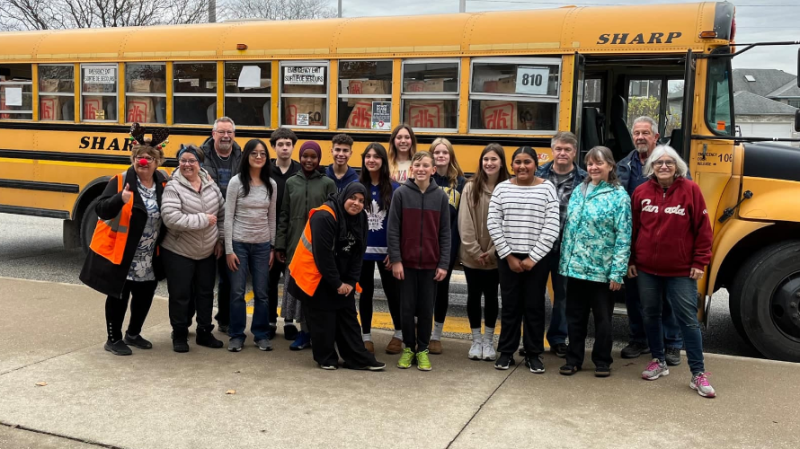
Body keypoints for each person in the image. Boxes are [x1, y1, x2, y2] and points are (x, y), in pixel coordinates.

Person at [631, 145, 715, 398]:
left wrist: (699, 262)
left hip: (681, 271)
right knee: (650, 316)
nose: (664, 166)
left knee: (688, 320)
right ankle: (659, 361)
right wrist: (632, 260)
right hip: (646, 269)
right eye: (658, 163)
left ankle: (698, 374)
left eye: (669, 162)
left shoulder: (691, 190)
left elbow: (703, 229)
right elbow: (633, 229)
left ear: (677, 166)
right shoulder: (641, 192)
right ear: (652, 167)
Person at [79, 125, 170, 356]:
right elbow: (101, 209)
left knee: (145, 295)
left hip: (149, 253)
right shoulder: (120, 181)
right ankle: (113, 338)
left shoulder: (163, 182)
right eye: (139, 157)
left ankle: (133, 333)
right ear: (133, 158)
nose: (144, 161)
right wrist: (120, 198)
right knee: (119, 294)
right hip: (123, 251)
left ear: (157, 160)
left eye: (149, 157)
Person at [287, 183, 387, 371]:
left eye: (361, 200)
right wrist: (337, 284)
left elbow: (359, 252)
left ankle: (358, 358)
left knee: (348, 318)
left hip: (339, 274)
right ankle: (326, 358)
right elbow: (323, 255)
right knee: (323, 321)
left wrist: (350, 282)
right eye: (352, 198)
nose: (356, 203)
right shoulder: (324, 216)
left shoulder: (361, 219)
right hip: (313, 276)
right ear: (344, 197)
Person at [558, 146, 631, 377]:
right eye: (590, 163)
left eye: (599, 163)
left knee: (603, 320)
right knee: (575, 318)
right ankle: (574, 358)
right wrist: (565, 263)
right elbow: (570, 228)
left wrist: (617, 273)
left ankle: (602, 360)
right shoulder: (579, 190)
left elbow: (623, 235)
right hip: (575, 268)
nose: (593, 167)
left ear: (610, 165)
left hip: (602, 271)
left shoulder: (619, 196)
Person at [617, 116, 683, 364]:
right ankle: (638, 340)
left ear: (656, 137)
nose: (640, 137)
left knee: (667, 297)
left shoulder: (669, 165)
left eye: (646, 133)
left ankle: (672, 344)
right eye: (636, 133)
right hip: (636, 241)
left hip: (665, 242)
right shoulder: (624, 166)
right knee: (634, 296)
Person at [488, 146, 559, 373]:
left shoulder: (548, 189)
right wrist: (508, 256)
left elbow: (552, 226)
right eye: (517, 162)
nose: (522, 166)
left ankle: (533, 353)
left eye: (527, 162)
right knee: (510, 306)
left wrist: (533, 258)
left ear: (535, 165)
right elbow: (493, 223)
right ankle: (506, 352)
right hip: (508, 257)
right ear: (511, 165)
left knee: (534, 306)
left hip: (537, 260)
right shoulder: (501, 189)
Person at [388, 151, 451, 371]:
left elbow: (445, 232)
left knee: (426, 309)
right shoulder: (402, 194)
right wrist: (396, 260)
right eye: (418, 165)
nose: (421, 169)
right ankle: (408, 347)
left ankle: (422, 349)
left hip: (431, 266)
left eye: (426, 165)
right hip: (406, 264)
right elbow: (393, 229)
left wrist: (443, 263)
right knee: (406, 309)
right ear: (412, 169)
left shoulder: (441, 197)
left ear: (433, 170)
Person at [161, 145, 226, 353]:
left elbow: (222, 214)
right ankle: (179, 334)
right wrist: (203, 220)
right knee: (180, 295)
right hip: (179, 250)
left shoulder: (210, 185)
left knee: (206, 293)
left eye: (192, 161)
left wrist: (220, 240)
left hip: (207, 250)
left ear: (200, 164)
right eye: (183, 160)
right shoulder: (173, 187)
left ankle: (204, 332)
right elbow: (170, 218)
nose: (187, 165)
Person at [275, 141, 337, 351]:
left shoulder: (328, 183)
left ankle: (319, 333)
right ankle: (304, 333)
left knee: (317, 292)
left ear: (319, 159)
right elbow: (284, 215)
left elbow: (334, 216)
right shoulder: (292, 182)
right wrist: (280, 245)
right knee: (299, 293)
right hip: (295, 246)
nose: (309, 160)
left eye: (313, 157)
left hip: (319, 248)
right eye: (305, 156)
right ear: (300, 157)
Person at [535, 131, 587, 358]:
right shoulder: (538, 174)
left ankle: (557, 338)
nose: (562, 153)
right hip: (538, 245)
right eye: (559, 149)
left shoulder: (585, 179)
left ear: (575, 152)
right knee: (533, 294)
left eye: (567, 149)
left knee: (563, 296)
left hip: (567, 248)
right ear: (552, 151)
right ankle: (532, 340)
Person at [225, 139, 278, 352]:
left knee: (262, 293)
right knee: (237, 292)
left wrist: (272, 247)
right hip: (239, 244)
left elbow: (271, 217)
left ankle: (261, 334)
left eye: (263, 154)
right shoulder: (236, 182)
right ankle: (237, 335)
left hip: (263, 245)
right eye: (254, 153)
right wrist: (229, 250)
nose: (258, 157)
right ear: (246, 156)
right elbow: (228, 217)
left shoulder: (271, 185)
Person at [458, 143, 509, 361]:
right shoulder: (471, 187)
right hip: (472, 256)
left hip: (497, 255)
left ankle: (489, 341)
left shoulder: (509, 187)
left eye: (493, 159)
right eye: (485, 159)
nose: (489, 163)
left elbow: (509, 223)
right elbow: (465, 221)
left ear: (501, 163)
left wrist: (493, 252)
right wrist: (475, 250)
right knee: (473, 295)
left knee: (491, 297)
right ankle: (476, 340)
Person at [358, 143, 402, 354]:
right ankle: (366, 336)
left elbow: (401, 224)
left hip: (387, 253)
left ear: (383, 161)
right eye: (368, 156)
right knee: (365, 294)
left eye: (376, 156)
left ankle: (399, 334)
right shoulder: (357, 187)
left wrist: (395, 253)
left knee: (393, 294)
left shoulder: (395, 189)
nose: (372, 160)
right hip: (363, 252)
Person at [200, 116, 242, 334]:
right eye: (221, 132)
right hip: (205, 224)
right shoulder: (200, 157)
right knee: (201, 280)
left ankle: (224, 319)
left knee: (227, 278)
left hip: (232, 225)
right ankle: (194, 323)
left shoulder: (241, 157)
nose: (226, 136)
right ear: (213, 134)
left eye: (230, 133)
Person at [429, 137, 466, 355]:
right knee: (423, 291)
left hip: (447, 245)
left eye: (445, 152)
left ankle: (436, 334)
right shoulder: (425, 179)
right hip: (425, 246)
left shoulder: (460, 183)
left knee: (441, 290)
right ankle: (421, 330)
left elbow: (459, 220)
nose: (440, 156)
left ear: (451, 156)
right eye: (436, 152)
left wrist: (455, 249)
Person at [268, 127, 302, 340]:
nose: (284, 148)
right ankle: (270, 320)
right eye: (280, 144)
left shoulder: (299, 171)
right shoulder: (265, 170)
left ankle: (288, 321)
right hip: (270, 233)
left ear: (293, 147)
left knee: (291, 281)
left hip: (293, 236)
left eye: (288, 144)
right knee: (269, 281)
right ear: (274, 147)